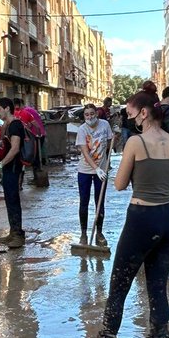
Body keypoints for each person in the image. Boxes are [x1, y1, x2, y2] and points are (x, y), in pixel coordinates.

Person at [72, 86, 169, 338]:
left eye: (130, 114)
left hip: (141, 217)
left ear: (144, 113)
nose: (128, 119)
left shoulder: (136, 144)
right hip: (167, 218)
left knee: (119, 286)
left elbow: (118, 184)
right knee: (158, 288)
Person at [75, 102, 113, 247]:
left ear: (96, 114)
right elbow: (85, 151)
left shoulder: (104, 125)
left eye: (92, 114)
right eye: (87, 114)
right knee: (84, 201)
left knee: (100, 202)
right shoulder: (82, 130)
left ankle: (99, 233)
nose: (90, 117)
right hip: (85, 170)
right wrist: (96, 168)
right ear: (84, 116)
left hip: (102, 171)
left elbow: (109, 142)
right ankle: (83, 233)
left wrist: (105, 164)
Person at [0, 98, 27, 248]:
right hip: (8, 168)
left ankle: (18, 235)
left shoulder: (16, 125)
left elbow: (15, 149)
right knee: (9, 199)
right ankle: (13, 232)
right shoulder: (9, 124)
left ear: (7, 108)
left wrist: (0, 164)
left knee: (13, 200)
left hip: (13, 167)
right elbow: (3, 141)